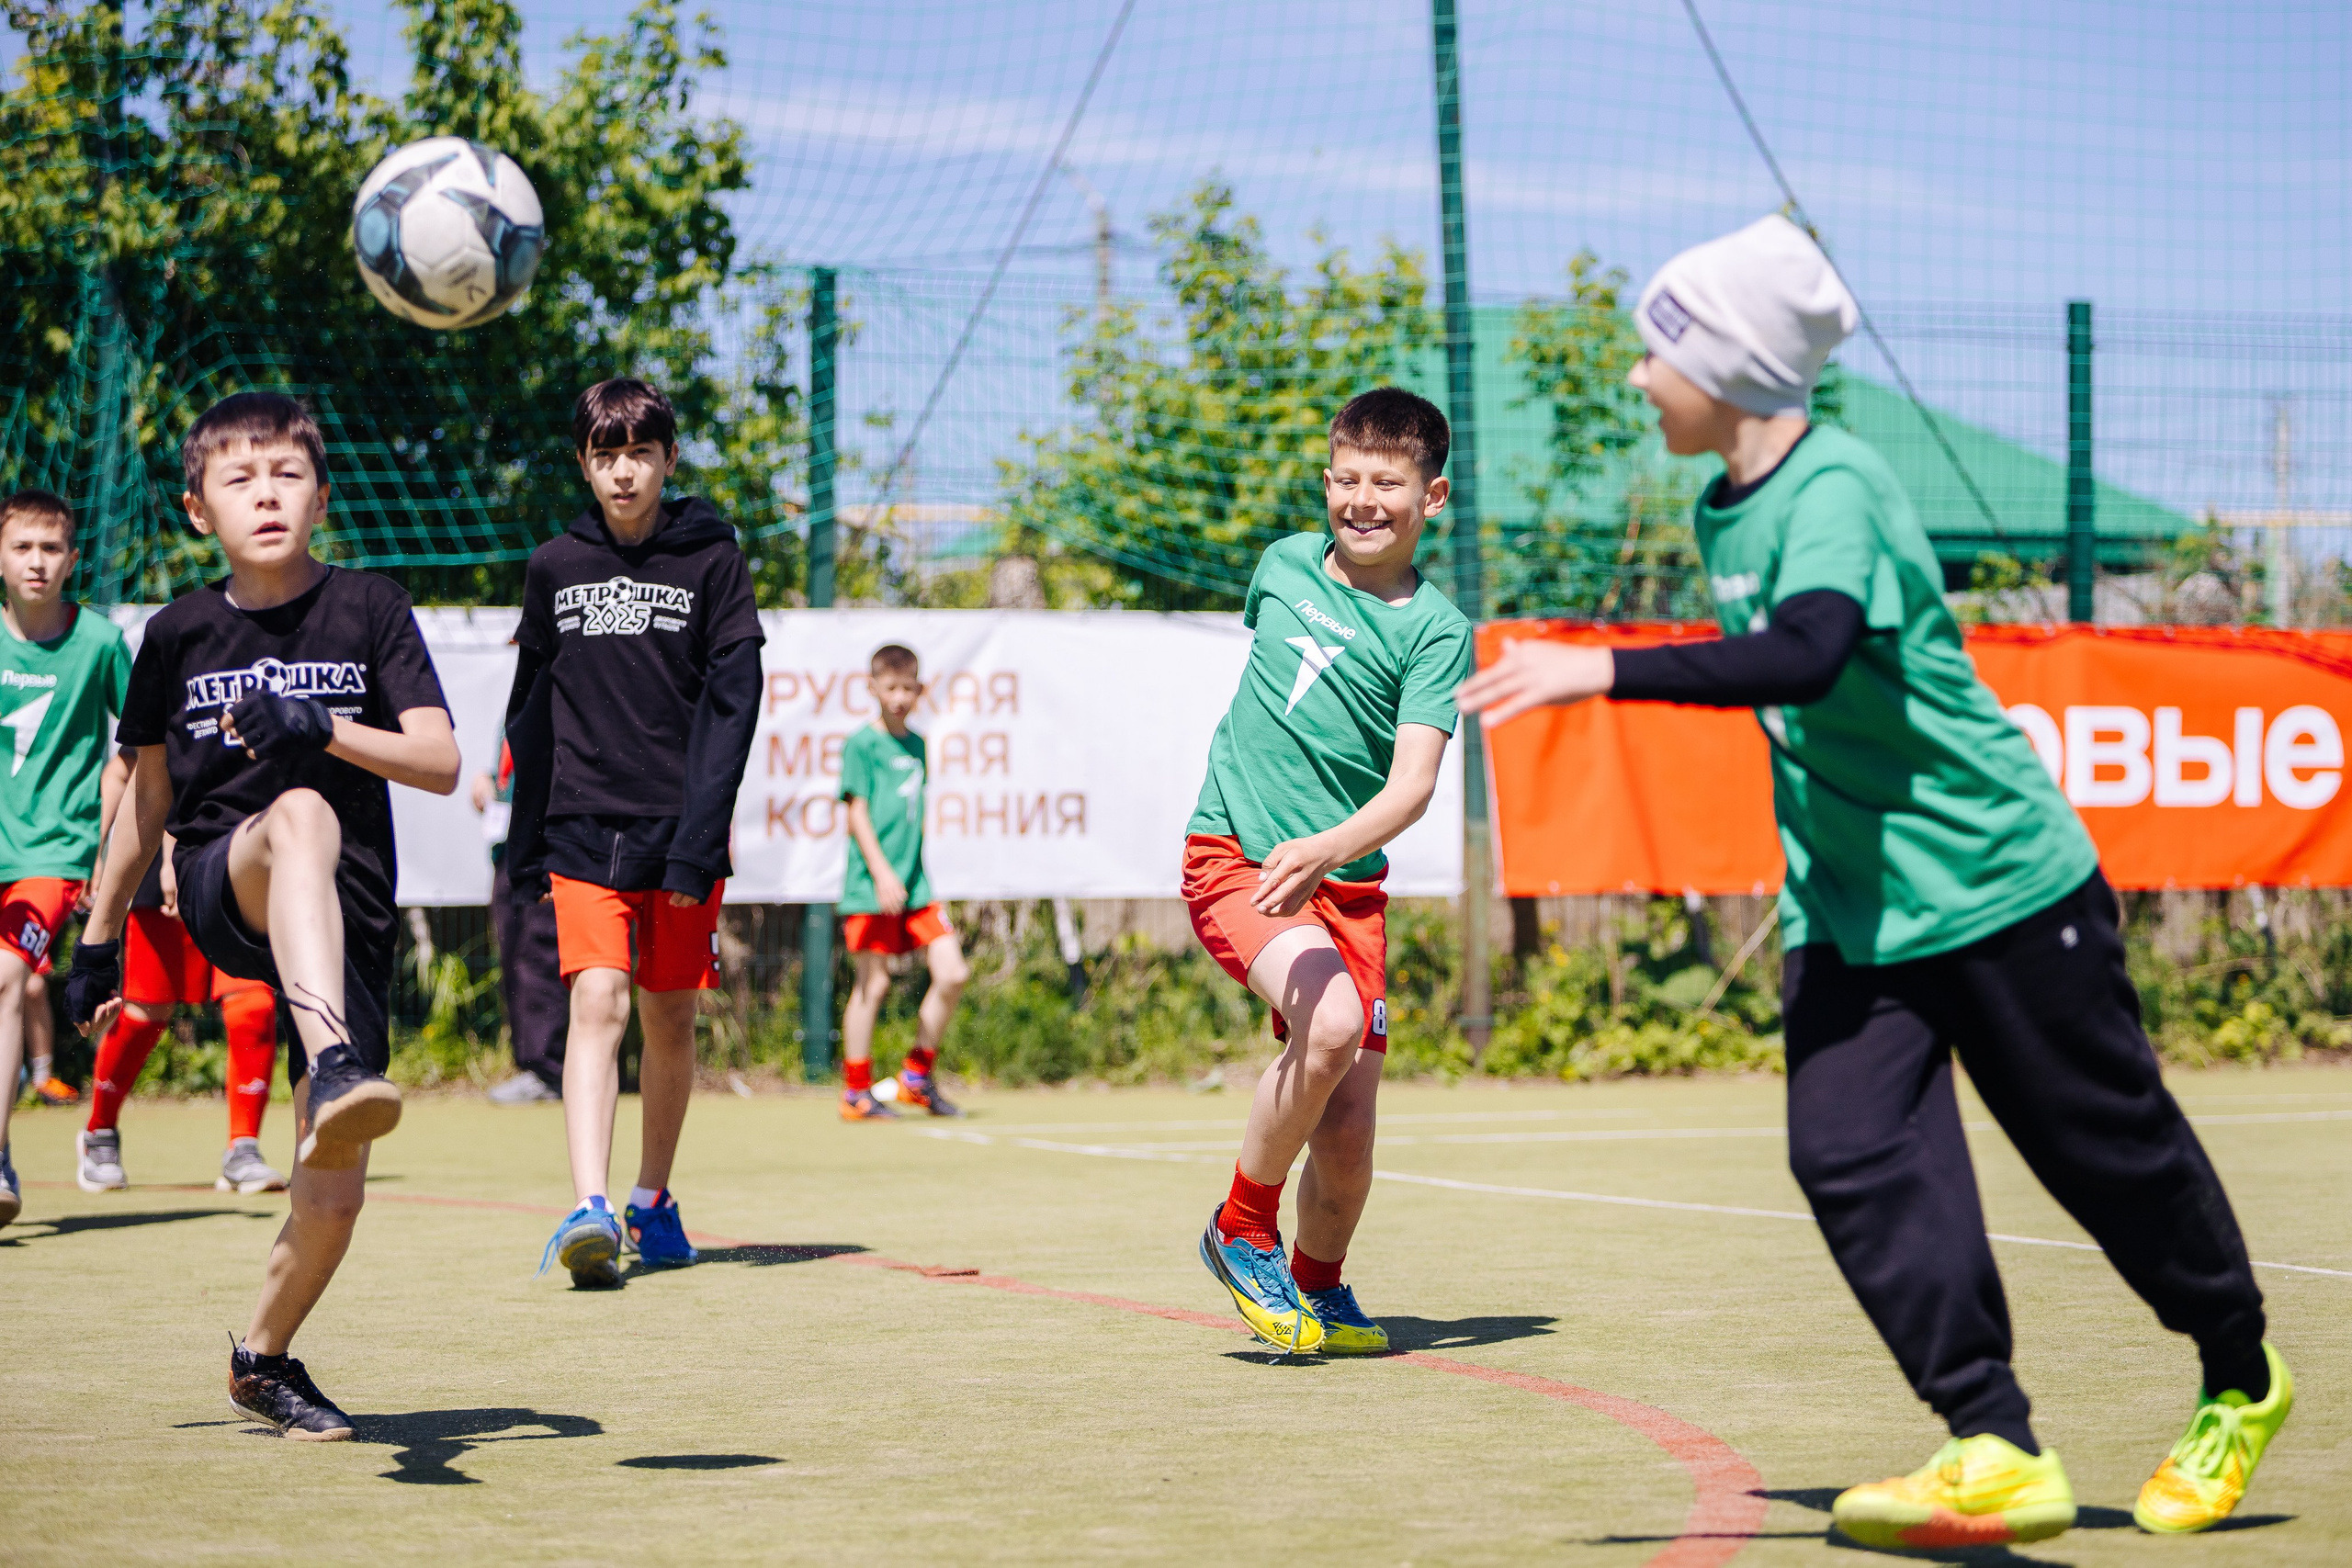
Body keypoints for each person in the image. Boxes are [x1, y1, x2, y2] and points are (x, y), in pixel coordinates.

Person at [1455, 214, 2290, 1547]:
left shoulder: (1836, 485)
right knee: (1845, 1146)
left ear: (1725, 365)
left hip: (2002, 886)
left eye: (1655, 351)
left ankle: (2241, 1374)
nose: (1636, 376)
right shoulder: (1720, 497)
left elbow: (1813, 652)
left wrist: (1599, 667)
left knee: (2102, 1155)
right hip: (1852, 910)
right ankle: (1994, 1441)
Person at [64, 390, 458, 1438]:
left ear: (322, 497)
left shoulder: (372, 607)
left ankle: (262, 1357)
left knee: (332, 1201)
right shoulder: (180, 632)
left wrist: (322, 723)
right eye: (238, 479)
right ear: (199, 509)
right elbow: (145, 798)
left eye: (286, 475)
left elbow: (439, 759)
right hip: (224, 878)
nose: (266, 494)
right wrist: (97, 942)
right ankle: (334, 1059)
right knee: (295, 813)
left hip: (347, 920)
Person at [1187, 388, 1473, 1357]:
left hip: (1342, 887)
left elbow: (1413, 788)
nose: (1362, 501)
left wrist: (1328, 849)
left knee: (1348, 1130)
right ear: (1326, 481)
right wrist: (1290, 844)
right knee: (1333, 1025)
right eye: (1345, 479)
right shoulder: (1279, 568)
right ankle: (1239, 1227)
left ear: (1431, 497)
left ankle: (1316, 1282)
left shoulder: (1436, 631)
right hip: (1240, 859)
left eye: (1386, 484)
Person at [503, 378, 763, 1288]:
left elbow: (735, 706)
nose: (623, 472)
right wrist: (521, 834)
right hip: (580, 826)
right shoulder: (552, 567)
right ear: (583, 462)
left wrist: (701, 836)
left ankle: (652, 1201)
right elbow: (529, 707)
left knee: (668, 1012)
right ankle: (590, 1207)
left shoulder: (713, 563)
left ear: (668, 460)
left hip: (680, 832)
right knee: (598, 1000)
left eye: (639, 454)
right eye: (605, 455)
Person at [0, 489, 131, 1224]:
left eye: (51, 548)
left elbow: (144, 747)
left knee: (8, 978)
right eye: (23, 546)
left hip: (53, 853)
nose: (37, 561)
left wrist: (113, 845)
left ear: (73, 558)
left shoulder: (102, 644)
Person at [76, 746, 288, 1194]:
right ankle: (99, 1134)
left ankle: (243, 1147)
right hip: (161, 859)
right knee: (145, 1012)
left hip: (241, 854)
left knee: (252, 1004)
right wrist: (100, 854)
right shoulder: (174, 677)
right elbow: (123, 772)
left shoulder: (273, 677)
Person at [835, 643, 969, 1122]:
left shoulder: (918, 744)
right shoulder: (861, 744)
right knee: (873, 986)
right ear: (872, 687)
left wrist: (911, 875)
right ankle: (855, 1091)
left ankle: (916, 1076)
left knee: (953, 972)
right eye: (890, 688)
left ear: (920, 690)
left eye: (908, 688)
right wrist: (883, 873)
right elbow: (858, 814)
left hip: (917, 888)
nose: (899, 697)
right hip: (872, 886)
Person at [470, 722, 567, 1104]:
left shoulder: (562, 690)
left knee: (540, 955)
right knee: (513, 954)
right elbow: (512, 769)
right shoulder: (518, 705)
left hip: (549, 844)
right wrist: (489, 782)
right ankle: (532, 1065)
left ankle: (549, 1070)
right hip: (511, 848)